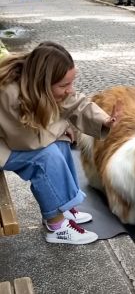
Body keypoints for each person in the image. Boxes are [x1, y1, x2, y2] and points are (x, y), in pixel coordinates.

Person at [0, 42, 122, 245]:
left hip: (14, 141)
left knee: (61, 142)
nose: (70, 90)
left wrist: (104, 120)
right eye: (64, 85)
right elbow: (28, 142)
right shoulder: (9, 94)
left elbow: (75, 102)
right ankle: (57, 227)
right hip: (6, 144)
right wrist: (63, 124)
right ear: (43, 82)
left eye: (71, 82)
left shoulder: (36, 82)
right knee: (46, 156)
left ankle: (62, 206)